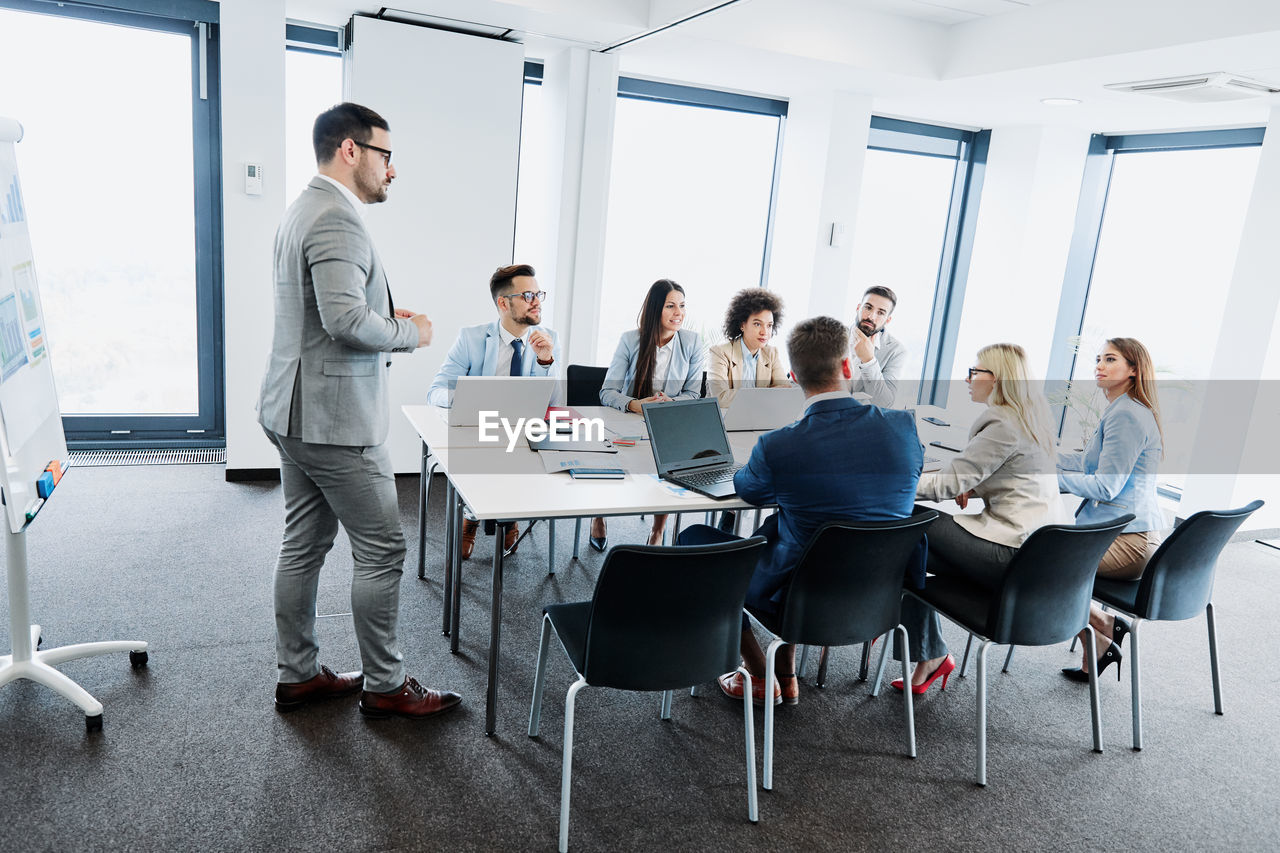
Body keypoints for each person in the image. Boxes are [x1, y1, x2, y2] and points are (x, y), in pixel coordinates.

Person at [258, 102, 461, 720]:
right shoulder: (335, 219)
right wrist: (410, 332)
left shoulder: (303, 210)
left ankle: (297, 675)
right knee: (382, 548)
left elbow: (328, 314)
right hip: (333, 421)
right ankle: (387, 684)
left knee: (304, 542)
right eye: (386, 155)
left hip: (294, 412)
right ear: (352, 150)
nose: (392, 170)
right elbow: (345, 320)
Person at [679, 316, 922, 705]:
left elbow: (748, 491)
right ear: (847, 367)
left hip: (800, 598)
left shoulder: (779, 445)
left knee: (694, 538)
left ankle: (761, 673)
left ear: (793, 376)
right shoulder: (903, 427)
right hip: (879, 596)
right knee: (795, 527)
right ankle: (786, 673)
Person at [893, 343, 1065, 694]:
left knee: (906, 520)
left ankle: (921, 647)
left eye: (975, 372)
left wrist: (884, 485)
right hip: (1042, 552)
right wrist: (977, 484)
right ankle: (929, 656)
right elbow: (1016, 473)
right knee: (912, 550)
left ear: (997, 379)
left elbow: (947, 484)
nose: (967, 378)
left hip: (1011, 554)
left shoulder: (1002, 422)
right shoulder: (1030, 416)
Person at [426, 263, 561, 559]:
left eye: (539, 293)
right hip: (479, 428)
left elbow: (554, 402)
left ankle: (507, 516)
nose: (537, 301)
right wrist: (476, 400)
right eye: (528, 295)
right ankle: (474, 517)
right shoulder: (471, 338)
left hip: (523, 432)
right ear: (503, 303)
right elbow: (435, 391)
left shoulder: (547, 338)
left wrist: (545, 361)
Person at [1058, 337, 1164, 682]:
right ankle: (1101, 636)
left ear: (1133, 370)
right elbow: (1090, 464)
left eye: (1111, 360)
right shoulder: (1122, 408)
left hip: (1128, 544)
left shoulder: (1128, 415)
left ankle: (1103, 625)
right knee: (1039, 554)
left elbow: (1106, 486)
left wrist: (1052, 480)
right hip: (1124, 535)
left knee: (1036, 561)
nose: (1099, 366)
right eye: (1099, 359)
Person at [592, 280, 705, 549]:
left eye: (682, 306)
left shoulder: (691, 342)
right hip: (627, 420)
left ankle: (658, 530)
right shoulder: (631, 340)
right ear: (656, 309)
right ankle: (599, 515)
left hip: (667, 421)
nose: (678, 313)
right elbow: (607, 392)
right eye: (670, 306)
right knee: (606, 456)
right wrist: (635, 405)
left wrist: (670, 402)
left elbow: (693, 394)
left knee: (672, 459)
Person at [707, 287, 789, 406]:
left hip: (760, 419)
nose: (764, 332)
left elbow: (785, 392)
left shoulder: (771, 353)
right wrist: (768, 392)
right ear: (742, 325)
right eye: (757, 324)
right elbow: (720, 398)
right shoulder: (720, 352)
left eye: (769, 325)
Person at [848, 286, 907, 408]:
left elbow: (885, 403)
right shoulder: (831, 336)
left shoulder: (896, 351)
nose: (871, 316)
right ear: (858, 308)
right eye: (868, 307)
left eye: (880, 313)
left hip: (861, 421)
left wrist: (869, 361)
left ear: (888, 320)